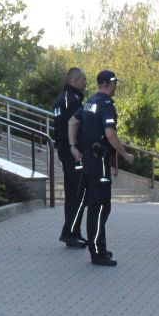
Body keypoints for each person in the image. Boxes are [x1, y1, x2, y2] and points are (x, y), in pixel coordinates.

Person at [68, 70, 133, 267]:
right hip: (100, 162)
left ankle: (98, 248)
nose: (116, 87)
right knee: (100, 207)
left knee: (96, 206)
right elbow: (110, 134)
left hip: (89, 161)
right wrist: (125, 155)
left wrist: (73, 147)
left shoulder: (90, 101)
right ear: (110, 84)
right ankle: (98, 252)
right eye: (115, 84)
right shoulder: (105, 104)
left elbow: (73, 121)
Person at [53, 67, 88, 247]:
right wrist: (78, 147)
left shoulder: (61, 99)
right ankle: (70, 232)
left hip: (66, 152)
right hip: (74, 153)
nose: (86, 83)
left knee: (73, 194)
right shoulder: (72, 101)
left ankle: (73, 233)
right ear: (75, 81)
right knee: (78, 194)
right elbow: (75, 126)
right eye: (84, 80)